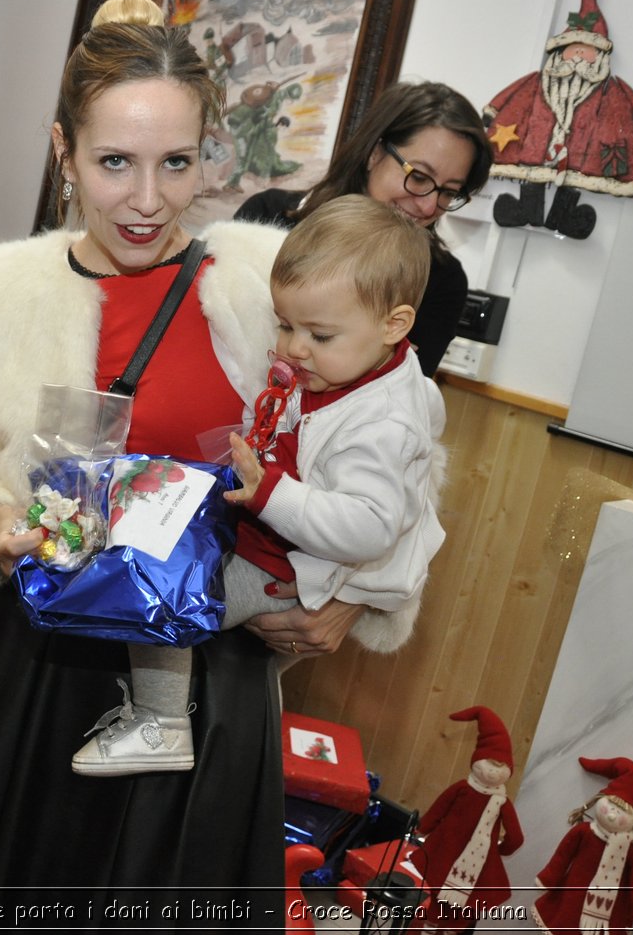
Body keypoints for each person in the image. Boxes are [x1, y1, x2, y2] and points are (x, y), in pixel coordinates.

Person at [0, 0, 429, 926]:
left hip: (202, 687)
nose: (147, 199)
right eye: (114, 162)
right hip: (28, 671)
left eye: (176, 162)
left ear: (209, 155)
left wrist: (355, 596)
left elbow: (401, 456)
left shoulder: (266, 285)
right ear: (62, 149)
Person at [73, 194, 446, 776]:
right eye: (284, 324)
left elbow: (372, 527)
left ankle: (161, 723)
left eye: (318, 335)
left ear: (394, 325)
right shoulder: (347, 366)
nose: (295, 347)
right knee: (149, 551)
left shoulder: (386, 422)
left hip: (285, 569)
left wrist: (273, 493)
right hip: (267, 536)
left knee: (162, 595)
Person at [235, 81, 494, 377]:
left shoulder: (441, 281)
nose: (428, 206)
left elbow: (402, 397)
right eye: (419, 177)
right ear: (375, 152)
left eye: (449, 192)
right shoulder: (267, 218)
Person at [481, 0, 633, 239]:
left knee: (576, 177)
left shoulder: (611, 90)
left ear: (598, 56)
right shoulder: (538, 82)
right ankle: (526, 210)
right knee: (533, 172)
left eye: (585, 52)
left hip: (585, 148)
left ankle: (565, 217)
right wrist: (492, 112)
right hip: (537, 143)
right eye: (573, 50)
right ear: (560, 53)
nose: (577, 57)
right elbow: (513, 93)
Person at [416, 707, 524, 933]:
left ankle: (434, 928)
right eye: (490, 763)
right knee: (459, 900)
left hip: (456, 855)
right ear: (476, 761)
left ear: (508, 770)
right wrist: (499, 850)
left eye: (500, 766)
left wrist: (423, 829)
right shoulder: (468, 790)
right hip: (453, 854)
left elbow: (515, 838)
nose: (493, 772)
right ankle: (441, 929)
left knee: (450, 898)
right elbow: (440, 808)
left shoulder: (495, 800)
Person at [533, 757, 633, 934]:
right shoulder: (584, 832)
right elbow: (562, 857)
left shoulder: (632, 853)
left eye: (621, 812)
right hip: (570, 903)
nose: (612, 816)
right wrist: (547, 878)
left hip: (608, 919)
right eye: (611, 807)